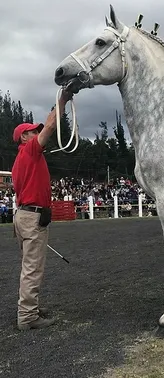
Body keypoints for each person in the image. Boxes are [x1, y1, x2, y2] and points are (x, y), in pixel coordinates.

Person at [12, 88, 73, 330]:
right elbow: (49, 127)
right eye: (32, 131)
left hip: (25, 216)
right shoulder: (30, 151)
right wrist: (63, 100)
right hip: (32, 217)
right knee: (32, 268)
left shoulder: (21, 158)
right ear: (24, 138)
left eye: (36, 130)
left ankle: (30, 308)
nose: (37, 132)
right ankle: (27, 316)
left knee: (30, 266)